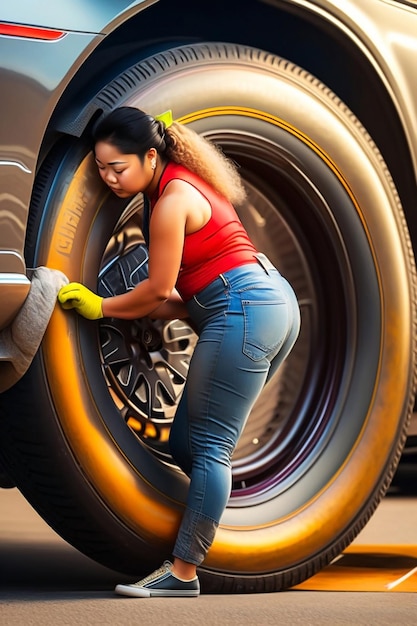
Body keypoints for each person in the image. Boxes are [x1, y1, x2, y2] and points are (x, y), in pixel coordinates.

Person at [57, 107, 301, 598]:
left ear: (150, 157)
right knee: (186, 444)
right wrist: (125, 311)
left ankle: (183, 573)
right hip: (266, 303)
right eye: (101, 169)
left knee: (211, 448)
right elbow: (178, 299)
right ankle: (214, 510)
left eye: (117, 168)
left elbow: (156, 291)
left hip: (247, 308)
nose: (107, 179)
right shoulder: (176, 178)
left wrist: (101, 304)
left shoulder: (171, 200)